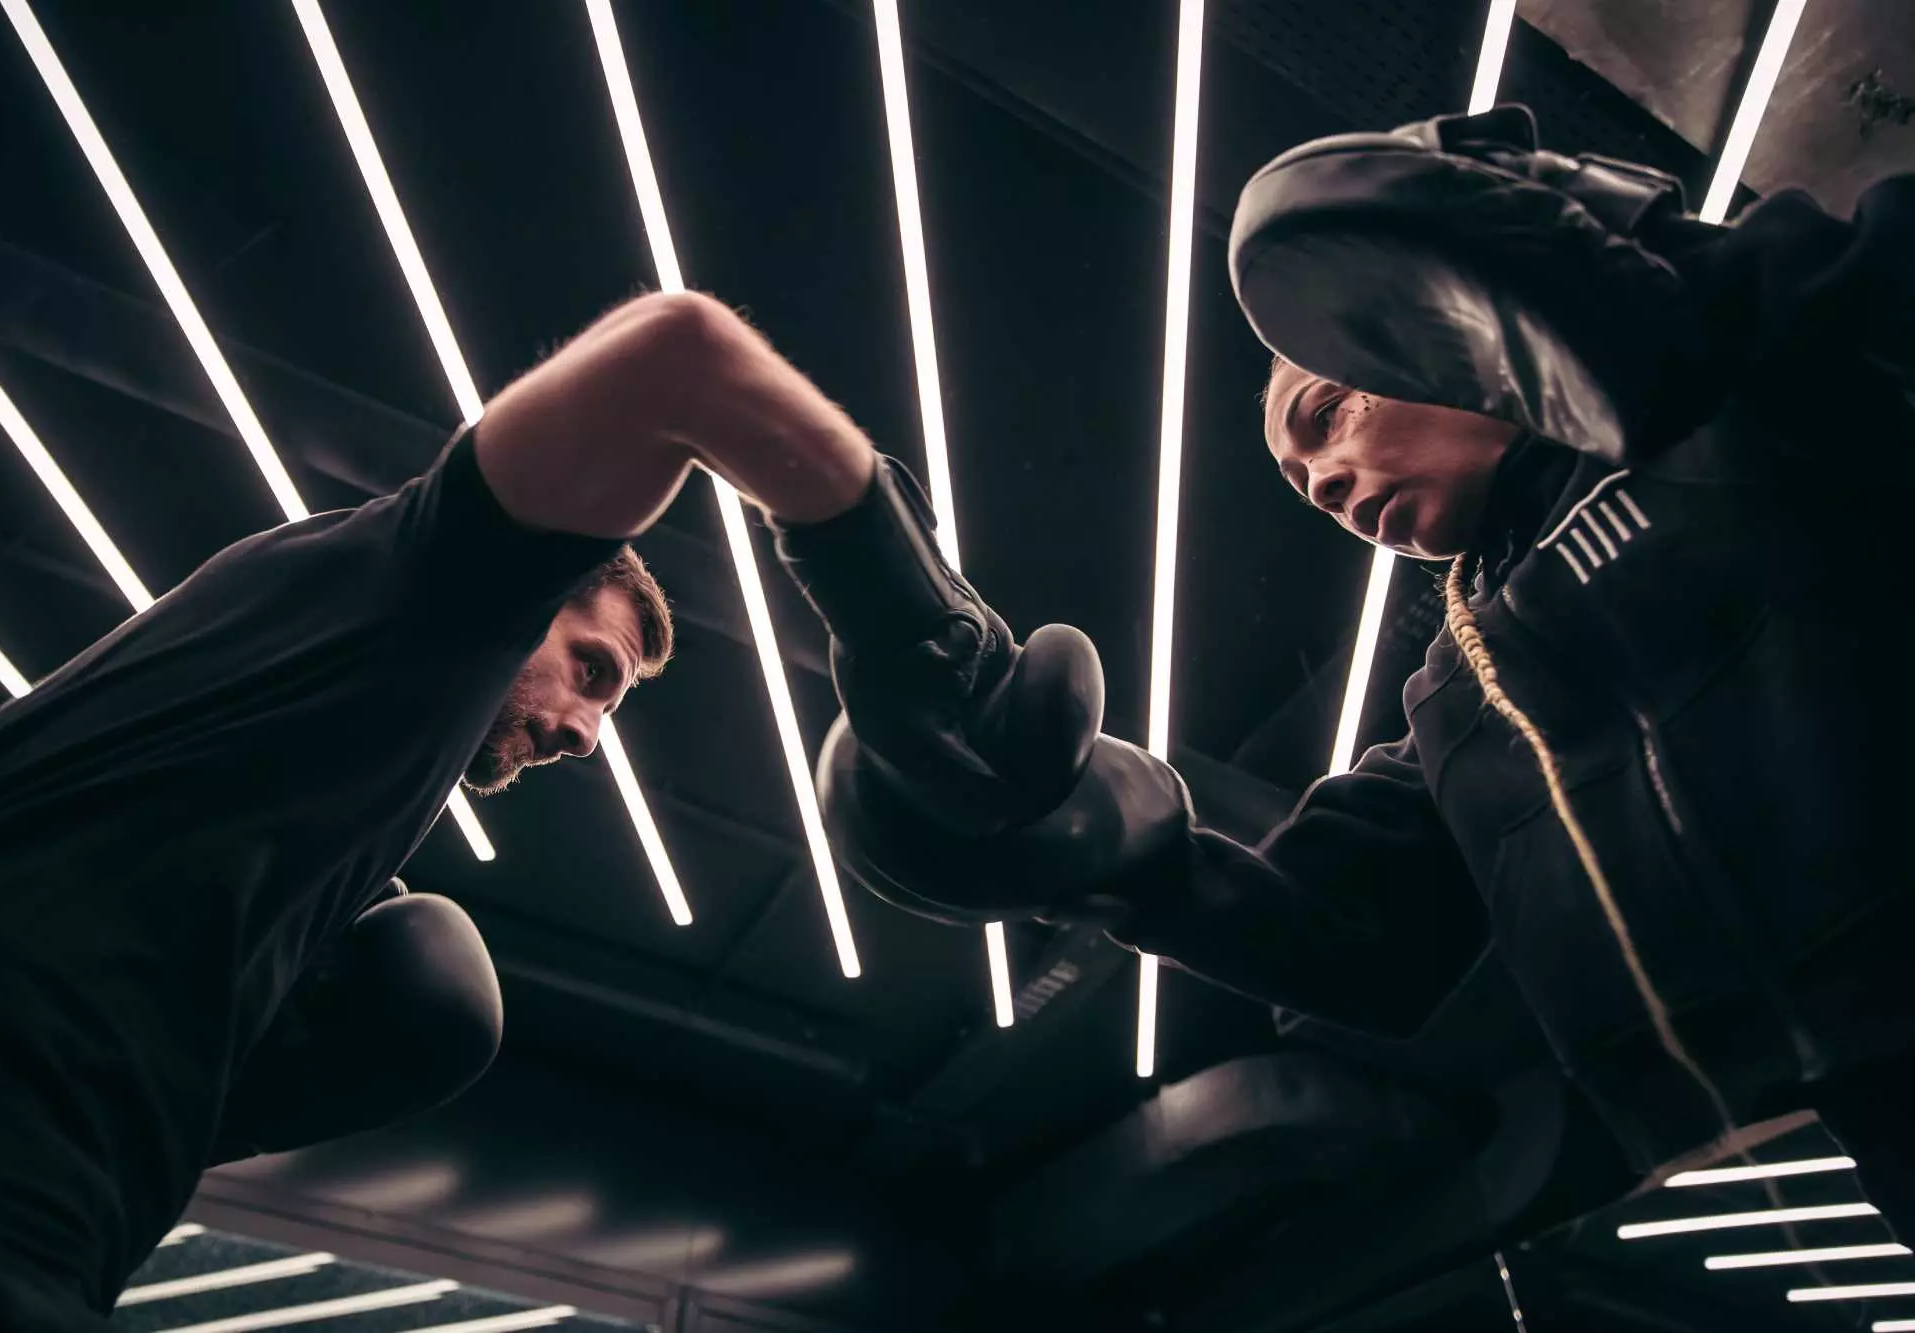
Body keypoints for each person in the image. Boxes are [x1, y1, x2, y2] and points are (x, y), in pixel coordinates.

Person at [819, 107, 1915, 1238]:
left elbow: (1869, 292)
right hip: (1831, 1105)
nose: (1328, 482)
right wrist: (1094, 855)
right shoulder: (1459, 698)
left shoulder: (1746, 387)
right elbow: (1347, 936)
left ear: (1433, 329)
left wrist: (1620, 257)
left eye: (1329, 413)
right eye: (1302, 483)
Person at [0, 289, 1092, 1329]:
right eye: (592, 670)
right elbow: (673, 355)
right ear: (530, 591)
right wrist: (923, 632)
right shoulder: (417, 596)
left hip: (48, 1232)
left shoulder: (300, 802)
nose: (585, 733)